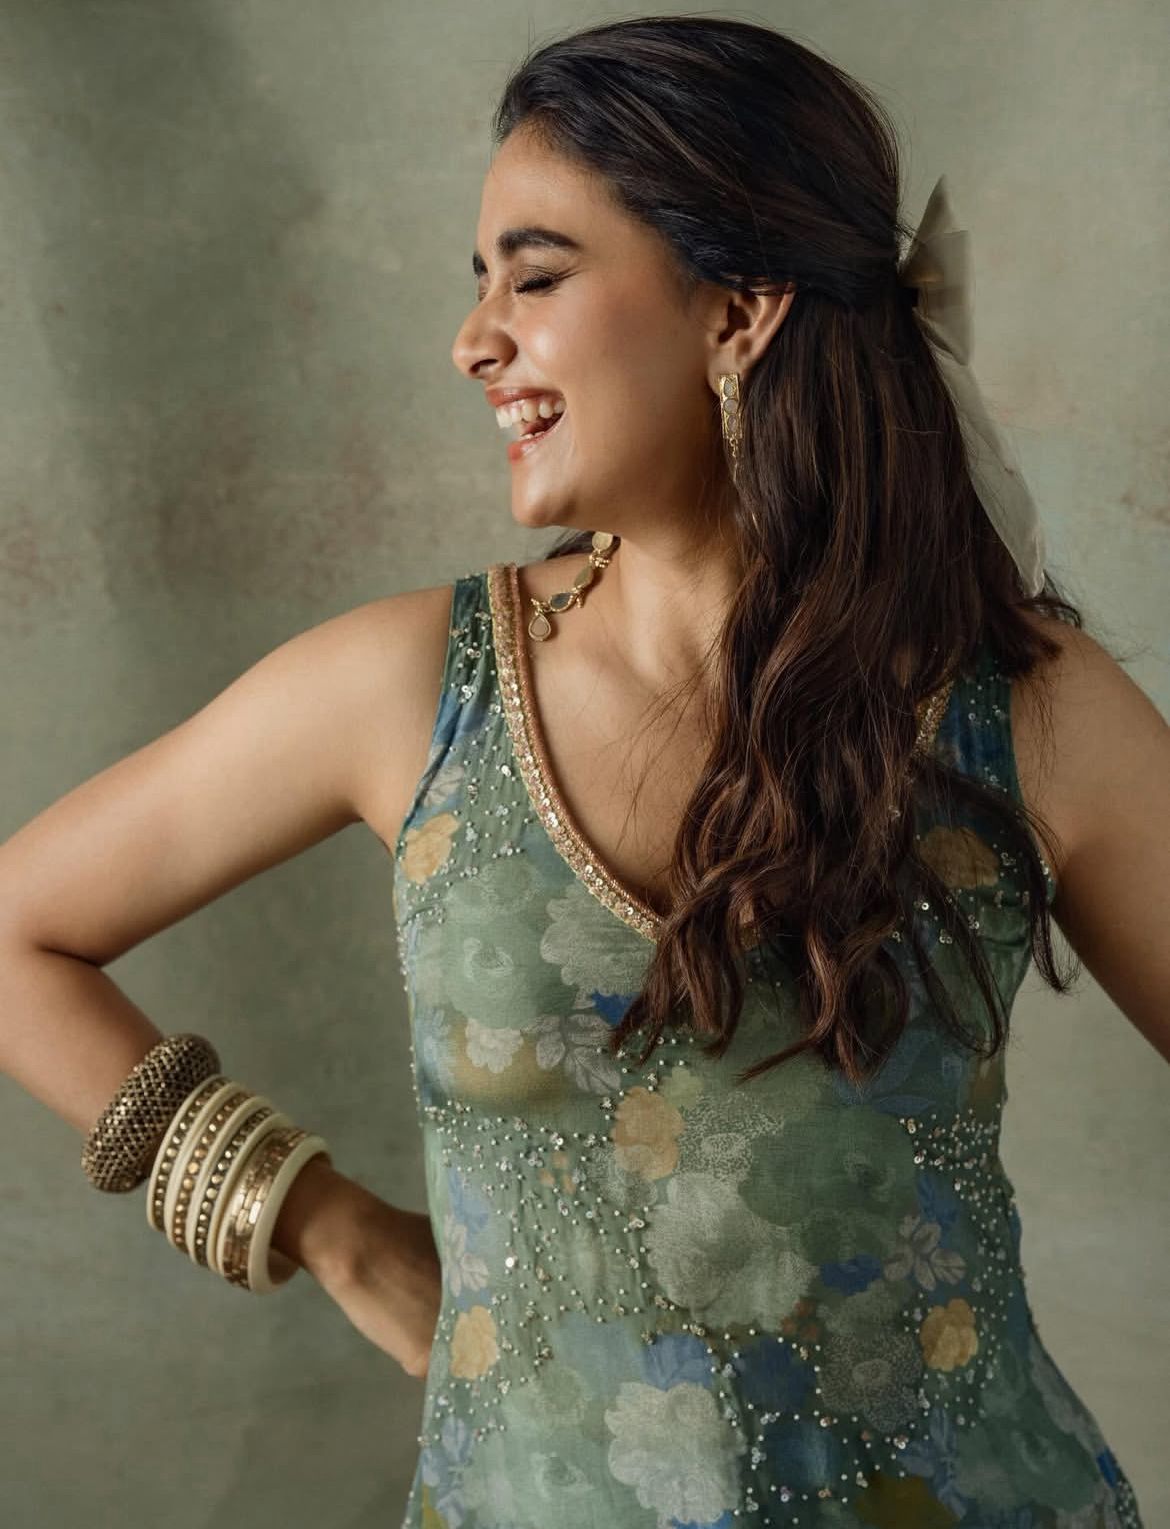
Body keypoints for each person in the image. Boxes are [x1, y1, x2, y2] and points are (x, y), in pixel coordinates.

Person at [0, 14, 1164, 1528]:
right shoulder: (413, 690)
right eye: (479, 279)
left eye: (534, 276)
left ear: (736, 310)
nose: (473, 338)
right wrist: (322, 1222)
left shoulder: (1021, 706)